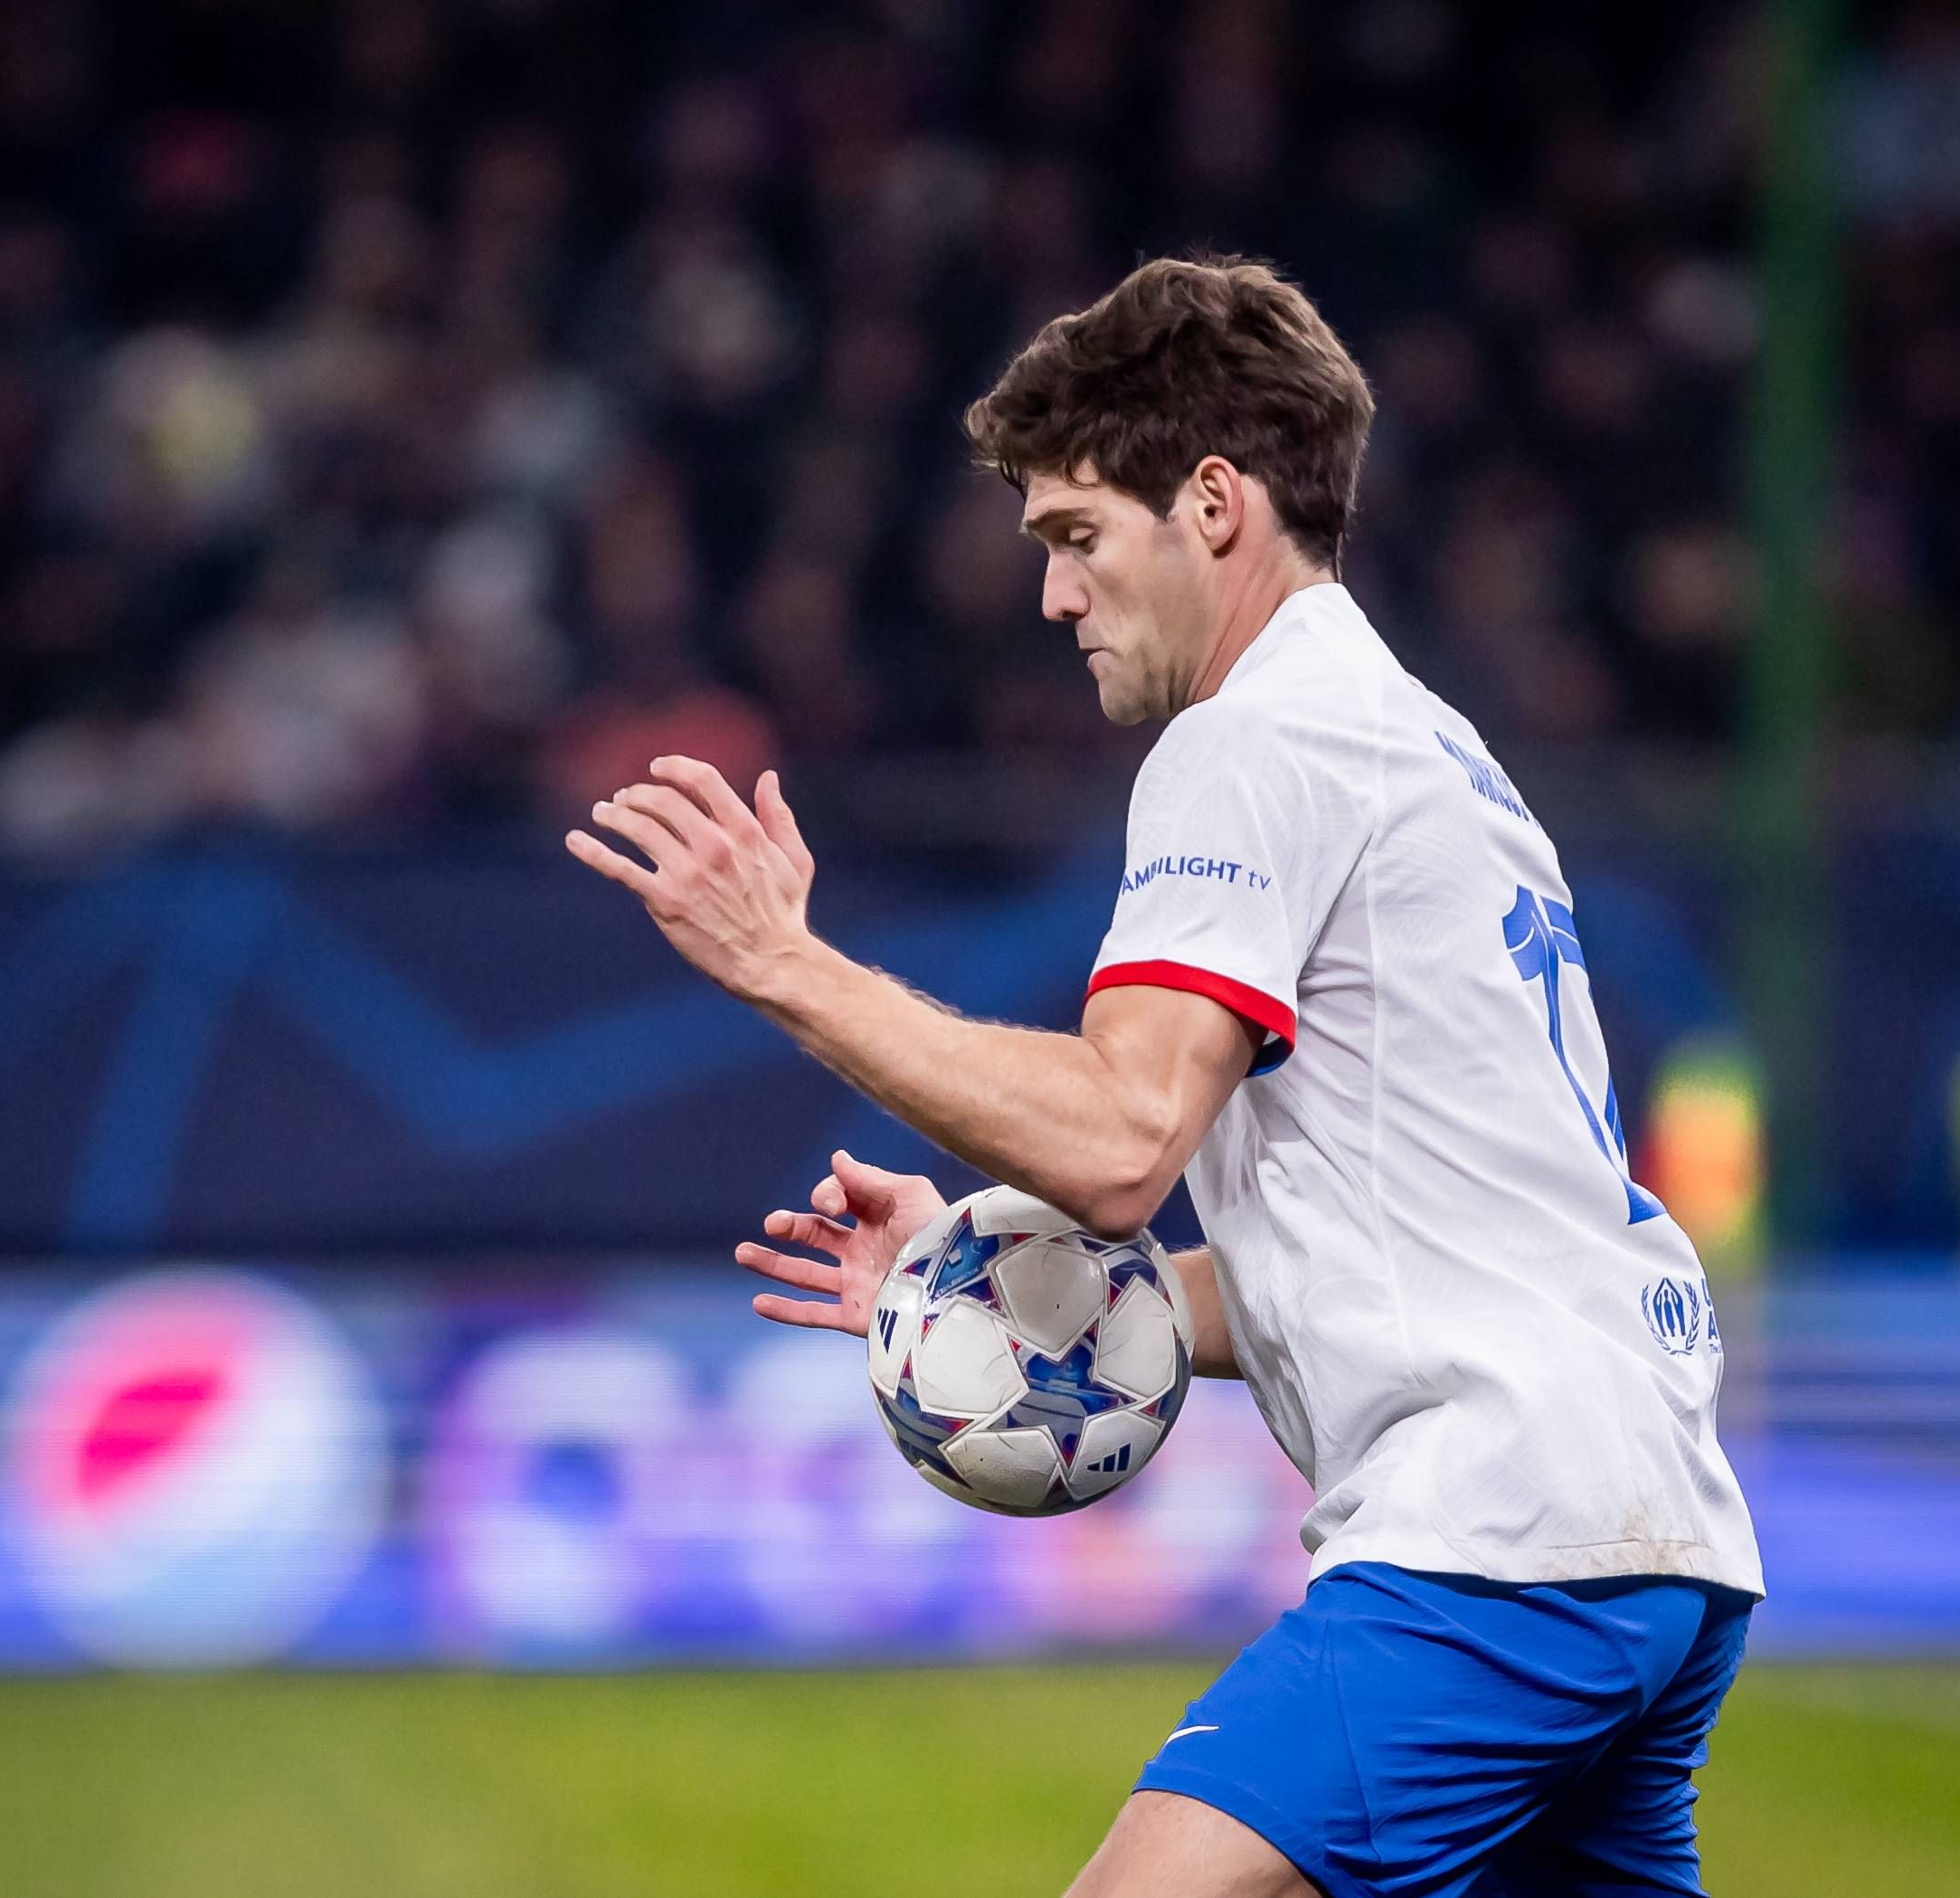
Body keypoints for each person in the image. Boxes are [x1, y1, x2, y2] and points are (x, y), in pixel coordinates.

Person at [567, 256, 1763, 1898]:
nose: (1054, 597)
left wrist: (786, 959)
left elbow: (1127, 1140)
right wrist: (990, 1271)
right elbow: (1382, 1241)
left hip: (1491, 1540)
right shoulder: (1425, 742)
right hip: (1642, 1533)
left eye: (1076, 536)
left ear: (1213, 504)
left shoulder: (1253, 738)